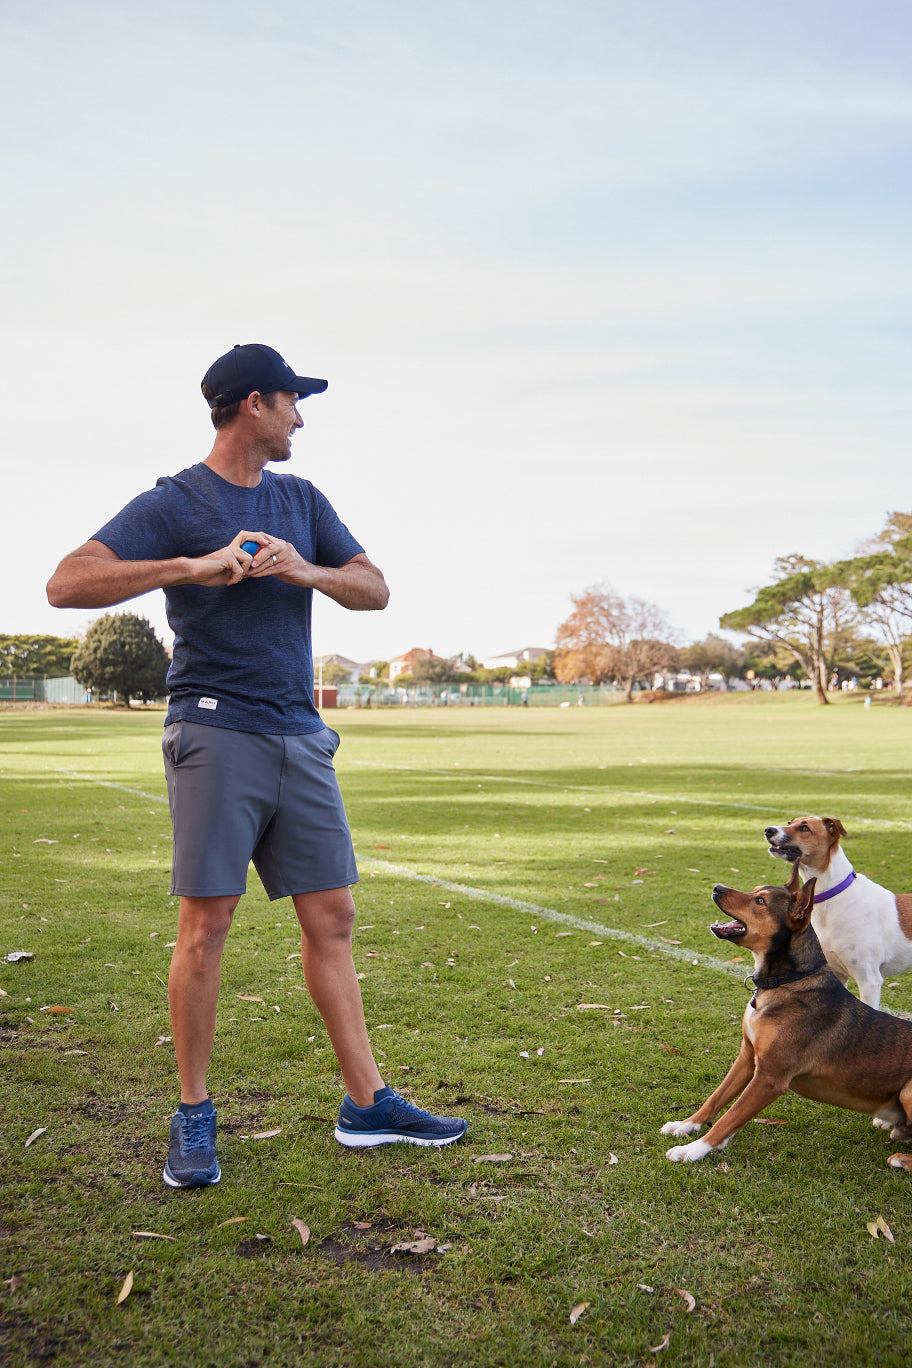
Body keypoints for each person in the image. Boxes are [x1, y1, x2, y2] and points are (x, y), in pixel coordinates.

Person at [47, 342, 467, 1187]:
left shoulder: (301, 498)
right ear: (251, 406)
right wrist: (190, 566)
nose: (300, 417)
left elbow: (375, 587)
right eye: (290, 401)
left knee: (334, 917)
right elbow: (66, 583)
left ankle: (366, 1104)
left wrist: (305, 568)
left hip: (299, 734)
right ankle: (194, 1116)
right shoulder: (176, 500)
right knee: (206, 928)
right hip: (215, 730)